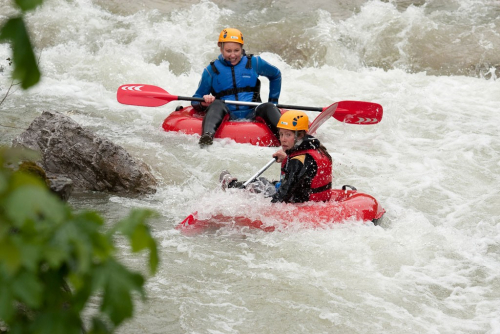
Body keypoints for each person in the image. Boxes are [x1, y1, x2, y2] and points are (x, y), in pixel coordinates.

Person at [192, 28, 283, 147]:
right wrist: (203, 102)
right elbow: (195, 99)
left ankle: (285, 137)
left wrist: (274, 101)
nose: (233, 55)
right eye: (228, 51)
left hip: (253, 112)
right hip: (227, 113)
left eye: (237, 50)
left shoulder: (255, 63)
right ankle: (207, 136)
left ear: (242, 48)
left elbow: (276, 75)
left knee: (268, 107)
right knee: (216, 104)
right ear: (220, 48)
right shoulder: (211, 71)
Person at [220, 110, 333, 203]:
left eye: (288, 135)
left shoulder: (297, 162)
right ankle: (232, 185)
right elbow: (307, 169)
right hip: (318, 200)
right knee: (268, 183)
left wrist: (267, 207)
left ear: (300, 135)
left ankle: (231, 186)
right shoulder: (316, 148)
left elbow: (284, 195)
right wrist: (287, 158)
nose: (283, 139)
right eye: (281, 134)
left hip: (301, 202)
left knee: (259, 184)